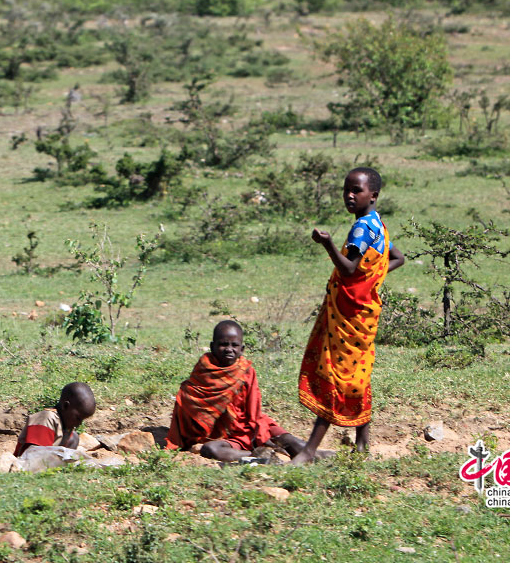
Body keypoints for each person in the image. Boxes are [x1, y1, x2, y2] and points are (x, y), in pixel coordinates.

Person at [292, 167, 404, 464]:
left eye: (357, 190)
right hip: (360, 314)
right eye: (347, 190)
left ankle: (308, 451)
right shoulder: (377, 225)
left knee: (338, 376)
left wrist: (328, 244)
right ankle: (362, 445)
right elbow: (396, 258)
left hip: (350, 316)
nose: (350, 196)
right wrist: (371, 282)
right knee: (358, 376)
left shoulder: (362, 229)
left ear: (374, 195)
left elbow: (349, 269)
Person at [166, 320, 306, 462]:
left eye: (234, 345)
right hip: (225, 439)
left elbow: (254, 415)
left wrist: (259, 438)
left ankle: (324, 458)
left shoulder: (246, 372)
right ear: (212, 347)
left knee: (296, 444)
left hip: (251, 430)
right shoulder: (201, 376)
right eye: (223, 344)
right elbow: (190, 419)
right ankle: (259, 456)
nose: (229, 349)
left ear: (242, 349)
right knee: (210, 450)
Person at [14, 382, 96, 456]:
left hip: (47, 467)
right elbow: (35, 455)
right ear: (65, 406)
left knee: (74, 438)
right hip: (26, 466)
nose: (79, 424)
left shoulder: (67, 431)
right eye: (78, 418)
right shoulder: (46, 418)